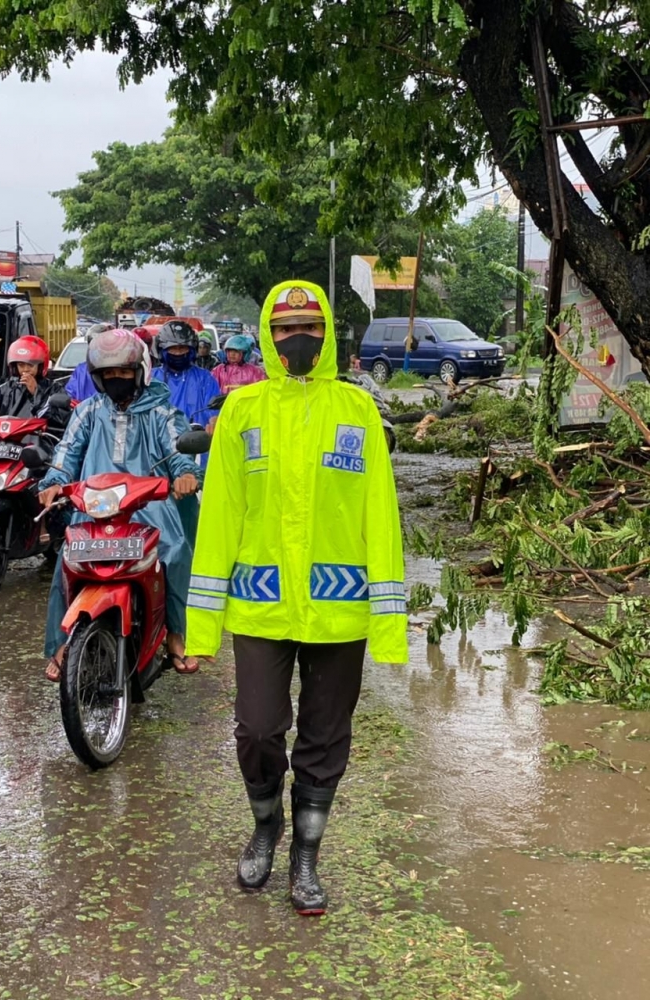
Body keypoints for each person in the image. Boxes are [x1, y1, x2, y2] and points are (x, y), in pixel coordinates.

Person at [185, 282, 407, 916]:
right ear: (266, 335)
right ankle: (265, 824)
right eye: (283, 330)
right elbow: (221, 516)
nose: (296, 339)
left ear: (328, 332)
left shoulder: (357, 411)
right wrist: (201, 630)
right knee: (257, 729)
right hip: (261, 606)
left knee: (324, 736)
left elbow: (380, 520)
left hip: (340, 611)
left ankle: (306, 858)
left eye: (309, 326)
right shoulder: (242, 411)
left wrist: (389, 627)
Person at [38, 328, 202, 682]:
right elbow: (67, 451)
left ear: (139, 371)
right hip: (96, 505)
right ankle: (64, 639)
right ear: (97, 377)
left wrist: (185, 472)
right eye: (108, 374)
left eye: (124, 373)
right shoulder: (90, 412)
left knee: (174, 551)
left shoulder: (160, 411)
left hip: (150, 505)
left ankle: (176, 633)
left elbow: (177, 448)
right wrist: (53, 481)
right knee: (69, 559)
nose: (116, 380)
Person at [0, 335, 70, 546]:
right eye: (20, 365)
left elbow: (57, 416)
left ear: (41, 366)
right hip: (3, 448)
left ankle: (46, 524)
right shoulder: (4, 389)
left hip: (37, 446)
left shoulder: (52, 390)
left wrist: (35, 392)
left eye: (30, 365)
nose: (25, 369)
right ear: (13, 366)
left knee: (46, 476)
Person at [151, 320, 220, 545]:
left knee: (193, 520)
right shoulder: (150, 379)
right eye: (173, 349)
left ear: (191, 350)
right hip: (158, 453)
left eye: (182, 349)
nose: (178, 353)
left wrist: (215, 422)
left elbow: (215, 412)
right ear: (162, 350)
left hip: (197, 451)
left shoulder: (205, 378)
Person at [64, 323, 112, 404]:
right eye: (94, 345)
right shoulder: (81, 369)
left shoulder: (118, 369)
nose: (98, 350)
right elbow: (70, 394)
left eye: (102, 346)